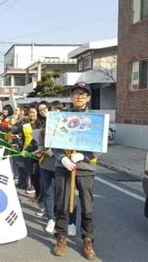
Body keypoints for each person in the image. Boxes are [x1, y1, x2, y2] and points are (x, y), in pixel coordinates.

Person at [52, 82, 99, 260]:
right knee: (62, 205)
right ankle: (61, 237)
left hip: (85, 168)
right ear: (71, 97)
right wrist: (61, 158)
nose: (79, 97)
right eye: (76, 93)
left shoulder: (95, 120)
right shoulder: (61, 118)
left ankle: (88, 240)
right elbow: (53, 142)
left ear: (88, 97)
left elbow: (99, 144)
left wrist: (84, 155)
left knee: (87, 207)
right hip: (64, 167)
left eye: (83, 94)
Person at [34, 100, 77, 235]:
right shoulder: (43, 128)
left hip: (64, 164)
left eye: (56, 110)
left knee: (66, 194)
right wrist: (40, 150)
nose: (50, 112)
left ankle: (70, 222)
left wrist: (56, 151)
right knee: (48, 192)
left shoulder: (70, 124)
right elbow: (41, 144)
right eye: (49, 110)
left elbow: (74, 142)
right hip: (46, 164)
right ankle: (51, 219)